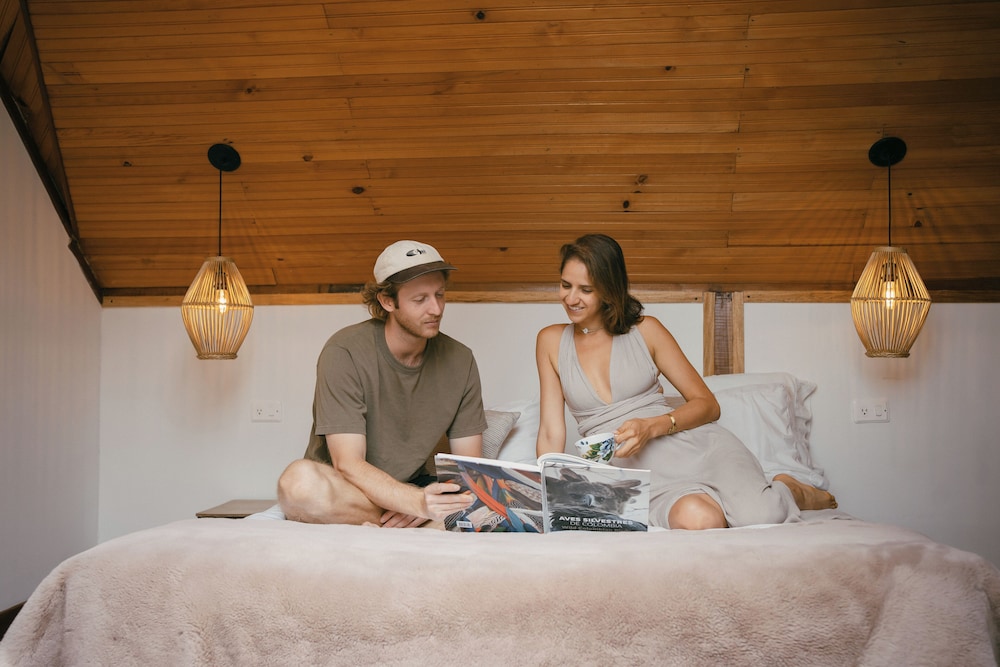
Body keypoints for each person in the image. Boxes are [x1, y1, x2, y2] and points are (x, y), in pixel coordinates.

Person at [534, 234, 836, 530]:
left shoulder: (646, 331)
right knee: (701, 520)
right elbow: (550, 432)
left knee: (762, 516)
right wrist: (545, 494)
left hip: (698, 449)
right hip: (635, 474)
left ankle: (790, 489)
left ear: (609, 289)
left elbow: (708, 405)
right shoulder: (550, 341)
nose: (570, 298)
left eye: (585, 289)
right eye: (565, 285)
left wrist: (651, 427)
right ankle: (724, 501)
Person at [277, 240, 487, 528]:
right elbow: (347, 464)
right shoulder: (344, 351)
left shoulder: (461, 360)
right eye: (420, 299)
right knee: (297, 483)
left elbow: (469, 469)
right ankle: (409, 523)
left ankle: (399, 523)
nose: (436, 308)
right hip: (350, 491)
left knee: (485, 509)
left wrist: (423, 500)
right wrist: (415, 503)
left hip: (413, 492)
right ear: (388, 301)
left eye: (440, 294)